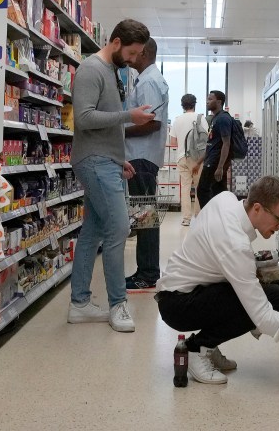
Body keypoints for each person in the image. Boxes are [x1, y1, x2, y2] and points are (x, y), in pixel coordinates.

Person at [155, 176, 279, 384]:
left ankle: (209, 343)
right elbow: (267, 320)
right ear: (257, 208)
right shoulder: (236, 244)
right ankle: (197, 349)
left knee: (278, 285)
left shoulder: (226, 199)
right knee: (274, 298)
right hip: (178, 305)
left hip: (184, 288)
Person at [68, 19, 155, 333]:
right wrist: (129, 115)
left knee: (92, 232)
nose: (133, 60)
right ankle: (119, 304)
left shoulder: (112, 72)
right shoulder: (92, 69)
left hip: (106, 161)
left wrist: (120, 159)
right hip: (93, 162)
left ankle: (79, 304)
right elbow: (85, 117)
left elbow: (107, 124)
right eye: (131, 53)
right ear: (116, 42)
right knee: (118, 229)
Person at [124, 38, 169, 291]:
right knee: (145, 216)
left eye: (134, 51)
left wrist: (119, 132)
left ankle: (148, 274)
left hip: (142, 157)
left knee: (145, 217)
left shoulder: (150, 81)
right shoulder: (149, 79)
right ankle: (147, 271)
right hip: (143, 157)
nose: (129, 56)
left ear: (144, 53)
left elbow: (153, 123)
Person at [170, 93, 208, 227]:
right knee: (199, 187)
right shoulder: (201, 118)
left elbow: (173, 141)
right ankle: (198, 217)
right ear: (195, 104)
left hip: (181, 157)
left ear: (182, 105)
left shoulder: (177, 120)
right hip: (197, 159)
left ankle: (186, 218)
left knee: (185, 188)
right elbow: (206, 138)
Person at [194, 90, 232, 209]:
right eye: (207, 99)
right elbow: (211, 144)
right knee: (218, 193)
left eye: (210, 99)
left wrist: (220, 167)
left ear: (219, 102)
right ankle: (219, 218)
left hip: (215, 163)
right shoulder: (215, 119)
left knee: (202, 190)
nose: (207, 102)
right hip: (212, 160)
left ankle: (209, 217)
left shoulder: (223, 119)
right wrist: (199, 162)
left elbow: (226, 143)